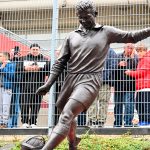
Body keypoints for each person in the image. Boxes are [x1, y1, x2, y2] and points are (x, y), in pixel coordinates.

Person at [36, 0, 150, 149]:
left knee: (66, 115)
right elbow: (60, 62)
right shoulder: (71, 36)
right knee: (66, 113)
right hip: (71, 79)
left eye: (87, 16)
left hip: (90, 80)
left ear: (95, 14)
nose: (83, 20)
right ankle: (73, 143)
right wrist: (48, 83)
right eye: (80, 17)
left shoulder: (106, 32)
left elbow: (131, 36)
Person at [19, 43, 50, 128]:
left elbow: (48, 72)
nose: (35, 51)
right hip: (25, 86)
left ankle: (33, 123)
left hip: (38, 87)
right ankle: (24, 122)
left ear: (39, 50)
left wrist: (40, 68)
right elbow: (17, 69)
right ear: (30, 50)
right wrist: (25, 68)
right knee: (24, 104)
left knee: (36, 105)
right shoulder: (23, 58)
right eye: (33, 49)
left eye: (36, 49)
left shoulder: (45, 59)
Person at [88, 48, 117, 127]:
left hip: (105, 82)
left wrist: (103, 77)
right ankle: (92, 120)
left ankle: (101, 121)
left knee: (103, 101)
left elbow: (113, 66)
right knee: (92, 101)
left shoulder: (111, 51)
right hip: (92, 81)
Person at [112, 43, 138, 127]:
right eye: (128, 47)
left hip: (130, 86)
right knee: (118, 104)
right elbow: (112, 68)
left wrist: (133, 58)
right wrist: (118, 65)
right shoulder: (118, 56)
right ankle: (118, 123)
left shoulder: (135, 57)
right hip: (118, 85)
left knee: (129, 105)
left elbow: (138, 70)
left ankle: (128, 123)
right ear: (124, 48)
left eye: (131, 48)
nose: (129, 50)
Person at [125, 43, 150, 126]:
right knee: (140, 106)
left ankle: (146, 122)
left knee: (145, 106)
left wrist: (130, 73)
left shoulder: (146, 59)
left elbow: (141, 73)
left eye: (141, 51)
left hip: (146, 87)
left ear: (145, 51)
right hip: (140, 87)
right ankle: (143, 121)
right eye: (138, 51)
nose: (139, 53)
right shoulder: (141, 60)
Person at [8, 46, 22, 128]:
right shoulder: (7, 62)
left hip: (17, 87)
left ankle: (14, 125)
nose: (15, 53)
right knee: (7, 105)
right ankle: (8, 124)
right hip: (7, 87)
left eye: (16, 52)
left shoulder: (21, 62)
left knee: (16, 106)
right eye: (13, 52)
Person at [0, 52, 16, 128]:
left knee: (5, 105)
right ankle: (0, 121)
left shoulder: (11, 65)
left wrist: (3, 68)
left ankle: (4, 122)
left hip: (7, 88)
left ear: (5, 57)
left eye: (0, 56)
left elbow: (12, 76)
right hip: (0, 88)